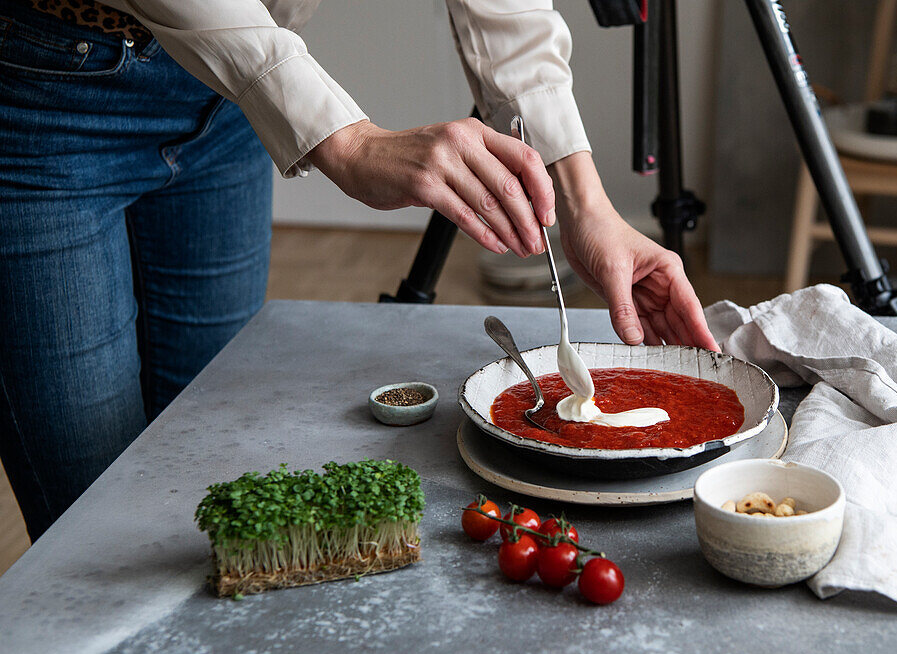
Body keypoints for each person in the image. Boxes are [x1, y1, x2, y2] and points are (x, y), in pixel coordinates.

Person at [0, 0, 719, 541]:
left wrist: (585, 200)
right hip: (35, 89)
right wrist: (344, 141)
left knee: (208, 450)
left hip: (222, 102)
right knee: (93, 520)